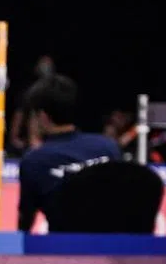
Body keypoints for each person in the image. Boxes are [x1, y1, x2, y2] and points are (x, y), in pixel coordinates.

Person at [17, 73, 122, 232]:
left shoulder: (34, 161)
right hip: (112, 245)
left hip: (62, 249)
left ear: (43, 117)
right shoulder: (109, 147)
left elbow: (25, 221)